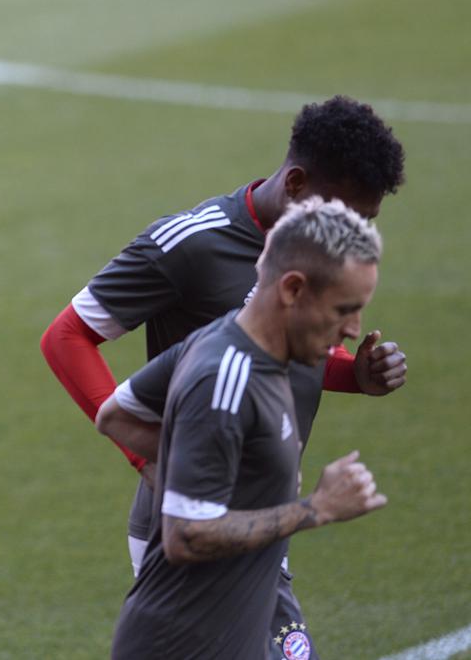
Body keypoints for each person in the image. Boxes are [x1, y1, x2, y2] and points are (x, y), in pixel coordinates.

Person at [39, 95, 407, 656]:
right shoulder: (192, 246)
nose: (350, 229)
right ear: (298, 184)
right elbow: (67, 338)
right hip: (199, 512)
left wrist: (353, 374)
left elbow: (266, 366)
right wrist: (152, 460)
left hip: (257, 506)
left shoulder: (319, 266)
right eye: (345, 210)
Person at [102, 197, 389, 658]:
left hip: (232, 633)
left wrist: (226, 471)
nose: (354, 329)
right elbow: (186, 535)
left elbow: (115, 414)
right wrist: (317, 508)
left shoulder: (231, 345)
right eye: (343, 309)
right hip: (185, 646)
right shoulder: (227, 377)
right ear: (293, 289)